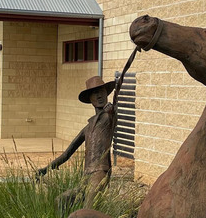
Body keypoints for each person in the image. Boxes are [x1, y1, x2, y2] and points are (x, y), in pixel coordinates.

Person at [37, 49, 137, 207]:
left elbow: (116, 97)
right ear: (90, 99)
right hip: (86, 175)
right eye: (95, 93)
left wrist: (134, 52)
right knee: (60, 201)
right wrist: (46, 168)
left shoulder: (109, 116)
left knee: (88, 207)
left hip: (100, 172)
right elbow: (67, 153)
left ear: (106, 93)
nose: (99, 96)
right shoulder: (87, 128)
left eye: (101, 91)